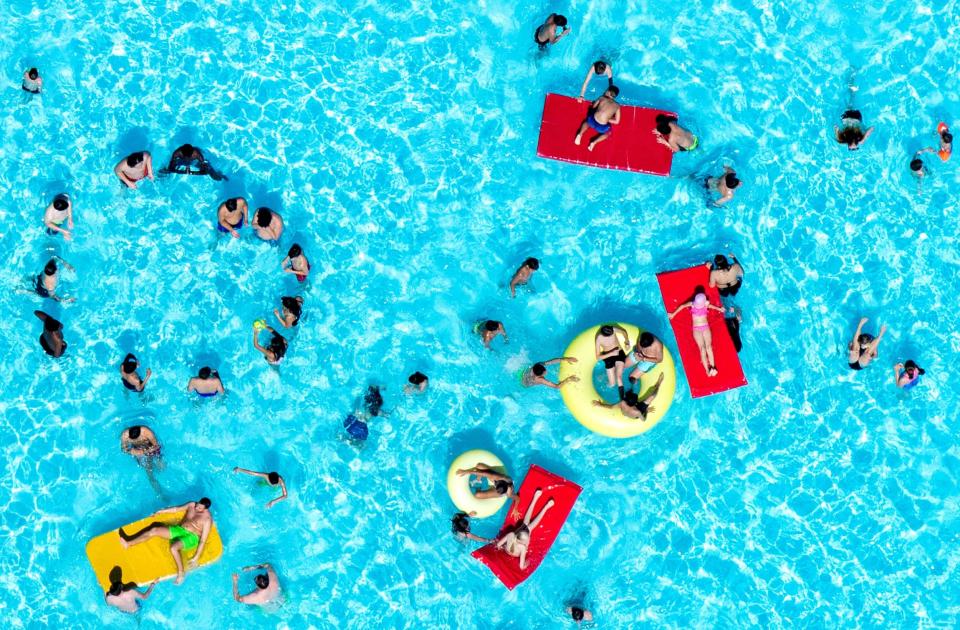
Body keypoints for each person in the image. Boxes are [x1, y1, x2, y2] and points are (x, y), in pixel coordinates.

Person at [119, 498, 214, 584]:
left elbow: (202, 540)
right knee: (154, 530)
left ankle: (181, 573)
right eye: (197, 505)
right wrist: (161, 511)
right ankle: (128, 543)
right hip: (180, 529)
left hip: (192, 537)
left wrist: (195, 557)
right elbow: (176, 509)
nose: (197, 508)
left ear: (205, 509)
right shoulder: (192, 504)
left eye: (200, 508)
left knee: (174, 548)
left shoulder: (207, 519)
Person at [494, 488, 554, 570]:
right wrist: (527, 562)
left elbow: (498, 545)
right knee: (528, 527)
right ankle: (544, 506)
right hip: (515, 548)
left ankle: (538, 501)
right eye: (527, 539)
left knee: (526, 525)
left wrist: (502, 548)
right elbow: (521, 566)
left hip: (511, 547)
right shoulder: (522, 547)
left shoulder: (511, 535)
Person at [668, 291, 725, 376]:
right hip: (696, 329)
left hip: (705, 327)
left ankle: (713, 367)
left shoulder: (705, 304)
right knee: (702, 348)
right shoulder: (692, 304)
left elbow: (711, 306)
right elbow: (682, 306)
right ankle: (707, 370)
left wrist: (719, 309)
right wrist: (673, 314)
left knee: (708, 347)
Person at [593, 373, 664, 421]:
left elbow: (611, 407)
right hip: (636, 413)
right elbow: (643, 420)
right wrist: (646, 411)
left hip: (629, 408)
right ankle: (658, 385)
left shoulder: (622, 403)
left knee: (628, 394)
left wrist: (600, 404)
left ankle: (634, 384)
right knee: (652, 396)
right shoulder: (637, 412)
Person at [574, 86, 621, 152]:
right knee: (607, 133)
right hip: (601, 127)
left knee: (587, 121)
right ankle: (594, 142)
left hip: (592, 121)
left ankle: (580, 134)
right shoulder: (617, 106)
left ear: (608, 92)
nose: (605, 91)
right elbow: (617, 121)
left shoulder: (602, 98)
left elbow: (593, 107)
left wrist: (595, 105)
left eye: (606, 90)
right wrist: (607, 119)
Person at [595, 324, 629, 396]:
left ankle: (622, 398)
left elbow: (624, 332)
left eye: (612, 333)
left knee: (618, 377)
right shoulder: (599, 338)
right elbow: (598, 357)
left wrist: (627, 342)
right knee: (612, 384)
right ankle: (605, 377)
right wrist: (611, 353)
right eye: (610, 335)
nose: (612, 335)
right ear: (604, 335)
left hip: (619, 353)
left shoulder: (612, 329)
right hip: (608, 356)